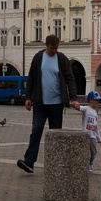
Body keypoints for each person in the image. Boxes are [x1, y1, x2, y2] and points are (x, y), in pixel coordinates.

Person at [16, 34, 85, 174]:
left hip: (56, 104)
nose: (54, 51)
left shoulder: (61, 59)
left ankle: (56, 164)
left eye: (56, 48)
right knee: (36, 130)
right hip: (40, 103)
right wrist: (28, 97)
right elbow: (31, 78)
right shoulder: (38, 57)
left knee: (55, 134)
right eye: (52, 48)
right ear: (46, 45)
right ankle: (29, 162)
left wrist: (74, 98)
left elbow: (70, 79)